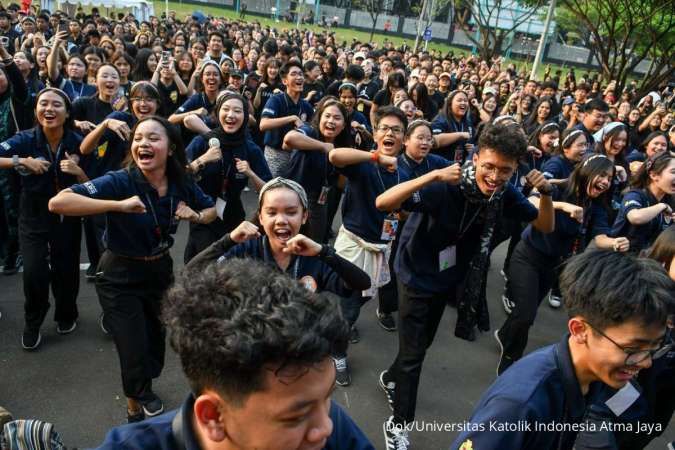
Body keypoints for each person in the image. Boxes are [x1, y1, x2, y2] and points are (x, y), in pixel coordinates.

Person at [375, 122, 554, 450]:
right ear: (475, 158)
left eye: (505, 170)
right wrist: (432, 176)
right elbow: (383, 202)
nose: (495, 177)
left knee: (421, 343)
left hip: (449, 276)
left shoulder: (505, 192)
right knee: (415, 355)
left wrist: (545, 194)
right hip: (415, 274)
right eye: (488, 166)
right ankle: (398, 424)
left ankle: (390, 377)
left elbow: (544, 224)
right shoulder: (446, 183)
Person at [95, 258, 374, 450]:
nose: (325, 428)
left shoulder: (325, 418)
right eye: (294, 418)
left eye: (327, 398)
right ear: (213, 416)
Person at [48, 116, 216, 422]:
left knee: (155, 346)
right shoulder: (119, 180)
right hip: (119, 275)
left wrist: (195, 215)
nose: (143, 144)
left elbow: (210, 210)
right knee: (132, 346)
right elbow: (59, 202)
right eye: (138, 138)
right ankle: (134, 406)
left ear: (171, 147)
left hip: (159, 272)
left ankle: (143, 385)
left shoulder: (181, 181)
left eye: (153, 138)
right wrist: (117, 205)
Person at [451, 250, 674, 450]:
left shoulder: (595, 377)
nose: (646, 362)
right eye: (633, 348)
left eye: (654, 346)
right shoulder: (519, 406)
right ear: (579, 330)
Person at [496, 154, 631, 375]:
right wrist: (561, 206)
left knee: (525, 313)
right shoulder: (558, 187)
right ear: (588, 171)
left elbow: (599, 237)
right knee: (526, 314)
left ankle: (504, 335)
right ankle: (511, 357)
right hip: (527, 255)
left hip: (554, 265)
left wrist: (615, 242)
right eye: (603, 175)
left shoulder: (595, 207)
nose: (606, 182)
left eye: (610, 178)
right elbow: (530, 202)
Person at [328, 105, 409, 385]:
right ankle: (336, 353)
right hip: (354, 246)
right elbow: (335, 155)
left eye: (396, 130)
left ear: (404, 139)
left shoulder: (405, 171)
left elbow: (405, 208)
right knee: (349, 306)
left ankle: (341, 323)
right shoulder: (364, 162)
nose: (390, 133)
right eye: (384, 128)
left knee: (363, 298)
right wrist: (374, 156)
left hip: (381, 248)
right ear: (375, 134)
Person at [0, 88, 85, 350]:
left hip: (68, 214)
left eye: (56, 104)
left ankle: (66, 314)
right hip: (33, 214)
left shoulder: (77, 140)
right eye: (43, 103)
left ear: (67, 112)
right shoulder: (24, 139)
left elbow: (93, 182)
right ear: (36, 110)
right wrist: (20, 160)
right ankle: (33, 321)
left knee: (67, 269)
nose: (49, 109)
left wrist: (78, 170)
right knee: (34, 271)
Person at [184, 92, 271, 262]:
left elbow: (268, 190)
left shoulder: (251, 149)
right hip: (203, 212)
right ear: (218, 113)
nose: (231, 115)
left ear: (245, 117)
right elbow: (177, 175)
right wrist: (202, 160)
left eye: (237, 111)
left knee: (230, 265)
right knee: (203, 263)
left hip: (233, 214)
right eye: (226, 109)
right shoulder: (202, 142)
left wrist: (250, 174)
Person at [282, 98, 351, 243]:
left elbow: (340, 184)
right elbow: (289, 139)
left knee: (314, 243)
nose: (331, 121)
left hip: (319, 201)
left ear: (344, 125)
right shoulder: (309, 131)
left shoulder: (342, 145)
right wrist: (322, 146)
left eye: (337, 118)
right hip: (293, 196)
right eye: (327, 116)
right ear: (319, 118)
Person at [611, 152, 675, 253]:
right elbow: (635, 217)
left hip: (651, 261)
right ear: (654, 175)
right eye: (673, 172)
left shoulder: (670, 199)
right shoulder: (635, 195)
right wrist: (662, 206)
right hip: (622, 260)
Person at [259, 60, 314, 177]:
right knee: (273, 191)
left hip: (297, 154)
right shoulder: (276, 100)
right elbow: (263, 124)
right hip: (276, 154)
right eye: (294, 74)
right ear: (285, 81)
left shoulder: (305, 105)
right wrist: (292, 118)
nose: (299, 77)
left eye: (300, 74)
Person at [431, 90, 474, 164]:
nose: (463, 103)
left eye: (465, 100)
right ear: (450, 104)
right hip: (441, 166)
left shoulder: (468, 123)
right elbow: (434, 141)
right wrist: (459, 135)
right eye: (459, 100)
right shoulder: (440, 120)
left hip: (460, 166)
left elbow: (474, 142)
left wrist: (472, 148)